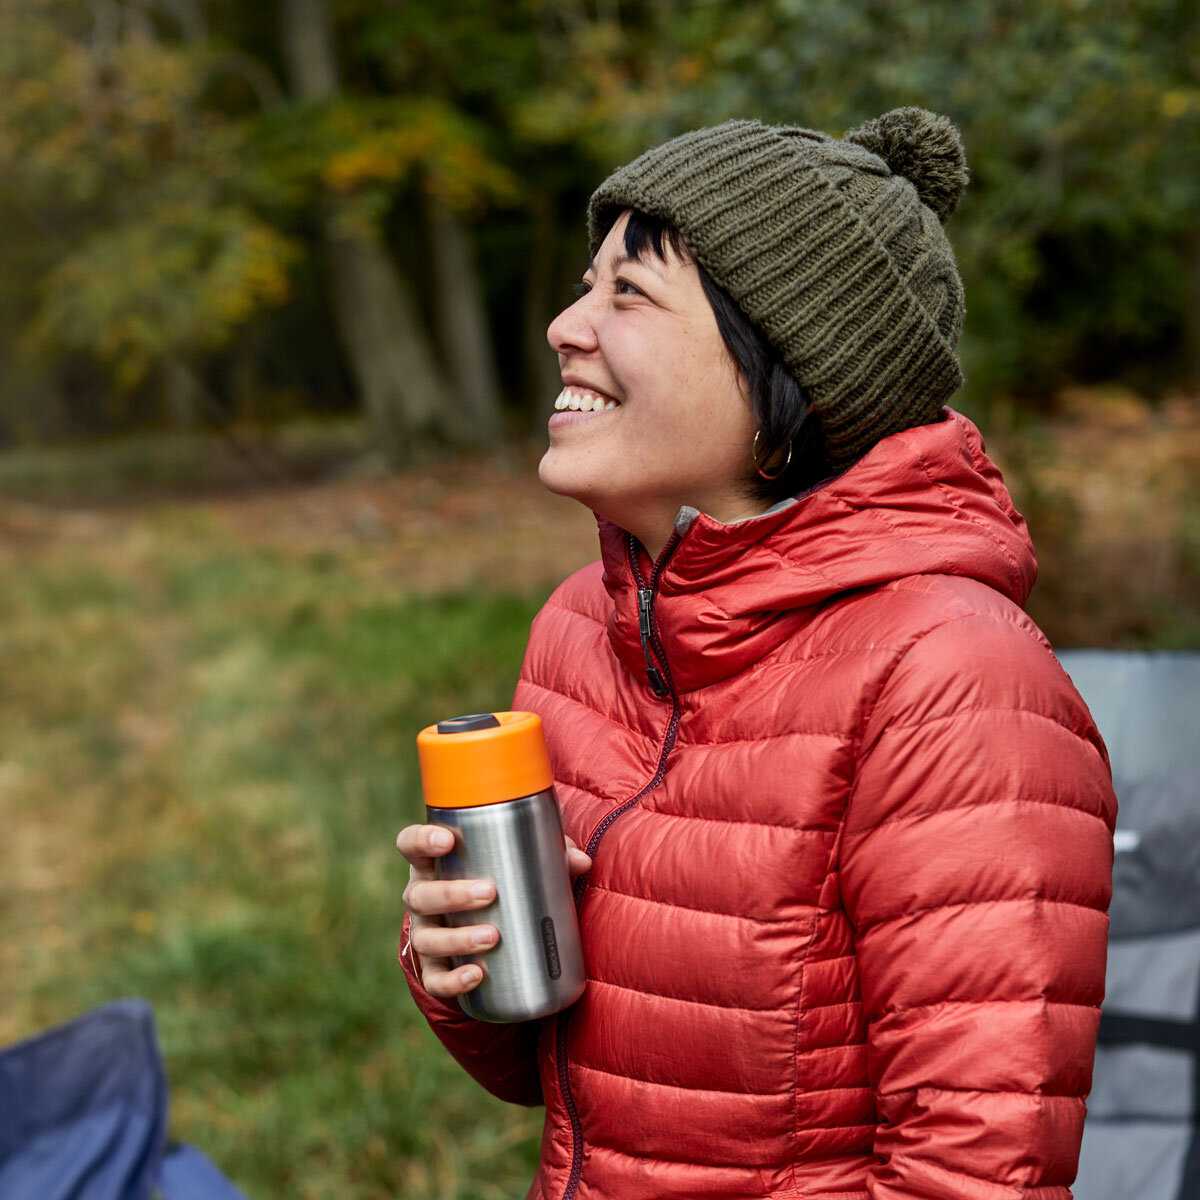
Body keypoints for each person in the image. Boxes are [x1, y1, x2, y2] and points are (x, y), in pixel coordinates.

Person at [397, 107, 1117, 1200]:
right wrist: (461, 969)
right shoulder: (583, 628)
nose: (565, 324)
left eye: (628, 293)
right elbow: (573, 1086)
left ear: (786, 376)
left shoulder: (950, 677)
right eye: (585, 284)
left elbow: (979, 1173)